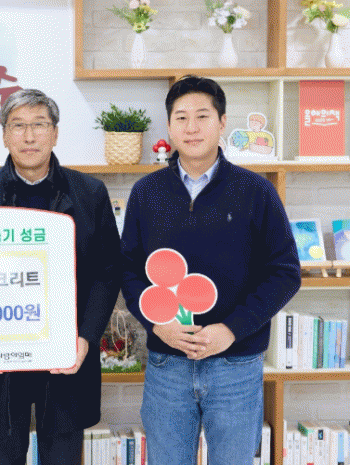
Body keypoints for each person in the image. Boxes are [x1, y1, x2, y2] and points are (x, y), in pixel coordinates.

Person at [120, 76, 301, 465]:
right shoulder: (146, 192)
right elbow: (129, 270)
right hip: (168, 362)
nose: (192, 127)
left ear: (222, 123)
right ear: (169, 127)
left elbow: (285, 272)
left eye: (202, 116)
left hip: (236, 363)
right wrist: (157, 324)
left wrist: (231, 329)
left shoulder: (257, 191)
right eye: (181, 117)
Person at [0, 89, 121, 465]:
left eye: (39, 125)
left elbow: (107, 272)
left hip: (65, 352)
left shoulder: (90, 193)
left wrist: (85, 338)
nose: (29, 136)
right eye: (18, 126)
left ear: (55, 133)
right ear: (4, 134)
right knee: (0, 454)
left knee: (63, 454)